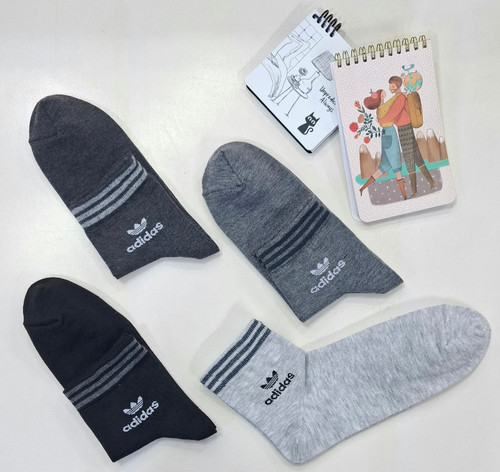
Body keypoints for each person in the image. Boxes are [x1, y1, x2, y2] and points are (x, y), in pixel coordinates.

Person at [377, 76, 435, 197]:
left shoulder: (400, 97)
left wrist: (381, 120)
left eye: (393, 85)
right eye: (390, 85)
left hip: (404, 129)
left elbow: (393, 113)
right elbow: (389, 110)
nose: (390, 88)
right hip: (404, 128)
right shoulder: (398, 97)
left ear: (398, 86)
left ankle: (414, 191)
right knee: (417, 156)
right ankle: (431, 182)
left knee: (409, 157)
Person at [359, 89, 407, 200]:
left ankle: (362, 188)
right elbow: (392, 101)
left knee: (383, 167)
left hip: (386, 134)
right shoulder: (383, 108)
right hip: (390, 133)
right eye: (382, 93)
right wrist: (400, 95)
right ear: (381, 96)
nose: (384, 92)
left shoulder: (380, 108)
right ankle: (405, 196)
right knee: (396, 165)